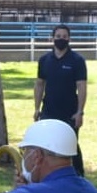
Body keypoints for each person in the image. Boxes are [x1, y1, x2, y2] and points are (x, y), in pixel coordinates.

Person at [34, 24, 87, 176]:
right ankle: (48, 175)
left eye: (64, 37)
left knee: (70, 146)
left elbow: (82, 86)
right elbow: (39, 84)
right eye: (58, 37)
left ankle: (78, 176)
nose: (61, 39)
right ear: (52, 38)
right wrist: (37, 108)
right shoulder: (44, 60)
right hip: (49, 111)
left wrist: (80, 112)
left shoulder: (77, 60)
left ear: (69, 38)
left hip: (69, 112)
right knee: (47, 145)